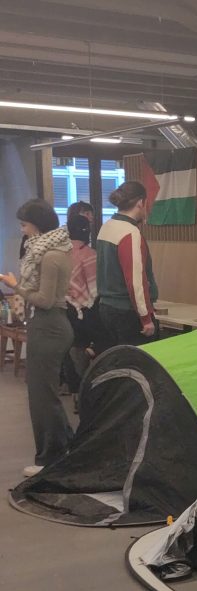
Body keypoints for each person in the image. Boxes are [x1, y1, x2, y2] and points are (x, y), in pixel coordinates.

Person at [0, 199, 74, 476]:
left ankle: (50, 459)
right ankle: (65, 449)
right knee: (44, 395)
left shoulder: (52, 255)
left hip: (50, 326)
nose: (22, 230)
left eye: (24, 224)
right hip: (45, 326)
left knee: (43, 397)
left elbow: (44, 300)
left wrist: (14, 286)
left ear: (37, 224)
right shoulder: (46, 250)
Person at [96, 181, 159, 346]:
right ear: (140, 202)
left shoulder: (106, 227)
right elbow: (135, 281)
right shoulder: (130, 233)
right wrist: (145, 318)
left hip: (105, 307)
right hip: (127, 312)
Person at [63, 213, 106, 401]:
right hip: (83, 311)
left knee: (69, 349)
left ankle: (74, 393)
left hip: (63, 307)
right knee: (95, 343)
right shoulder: (89, 254)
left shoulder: (61, 252)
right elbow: (95, 290)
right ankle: (89, 390)